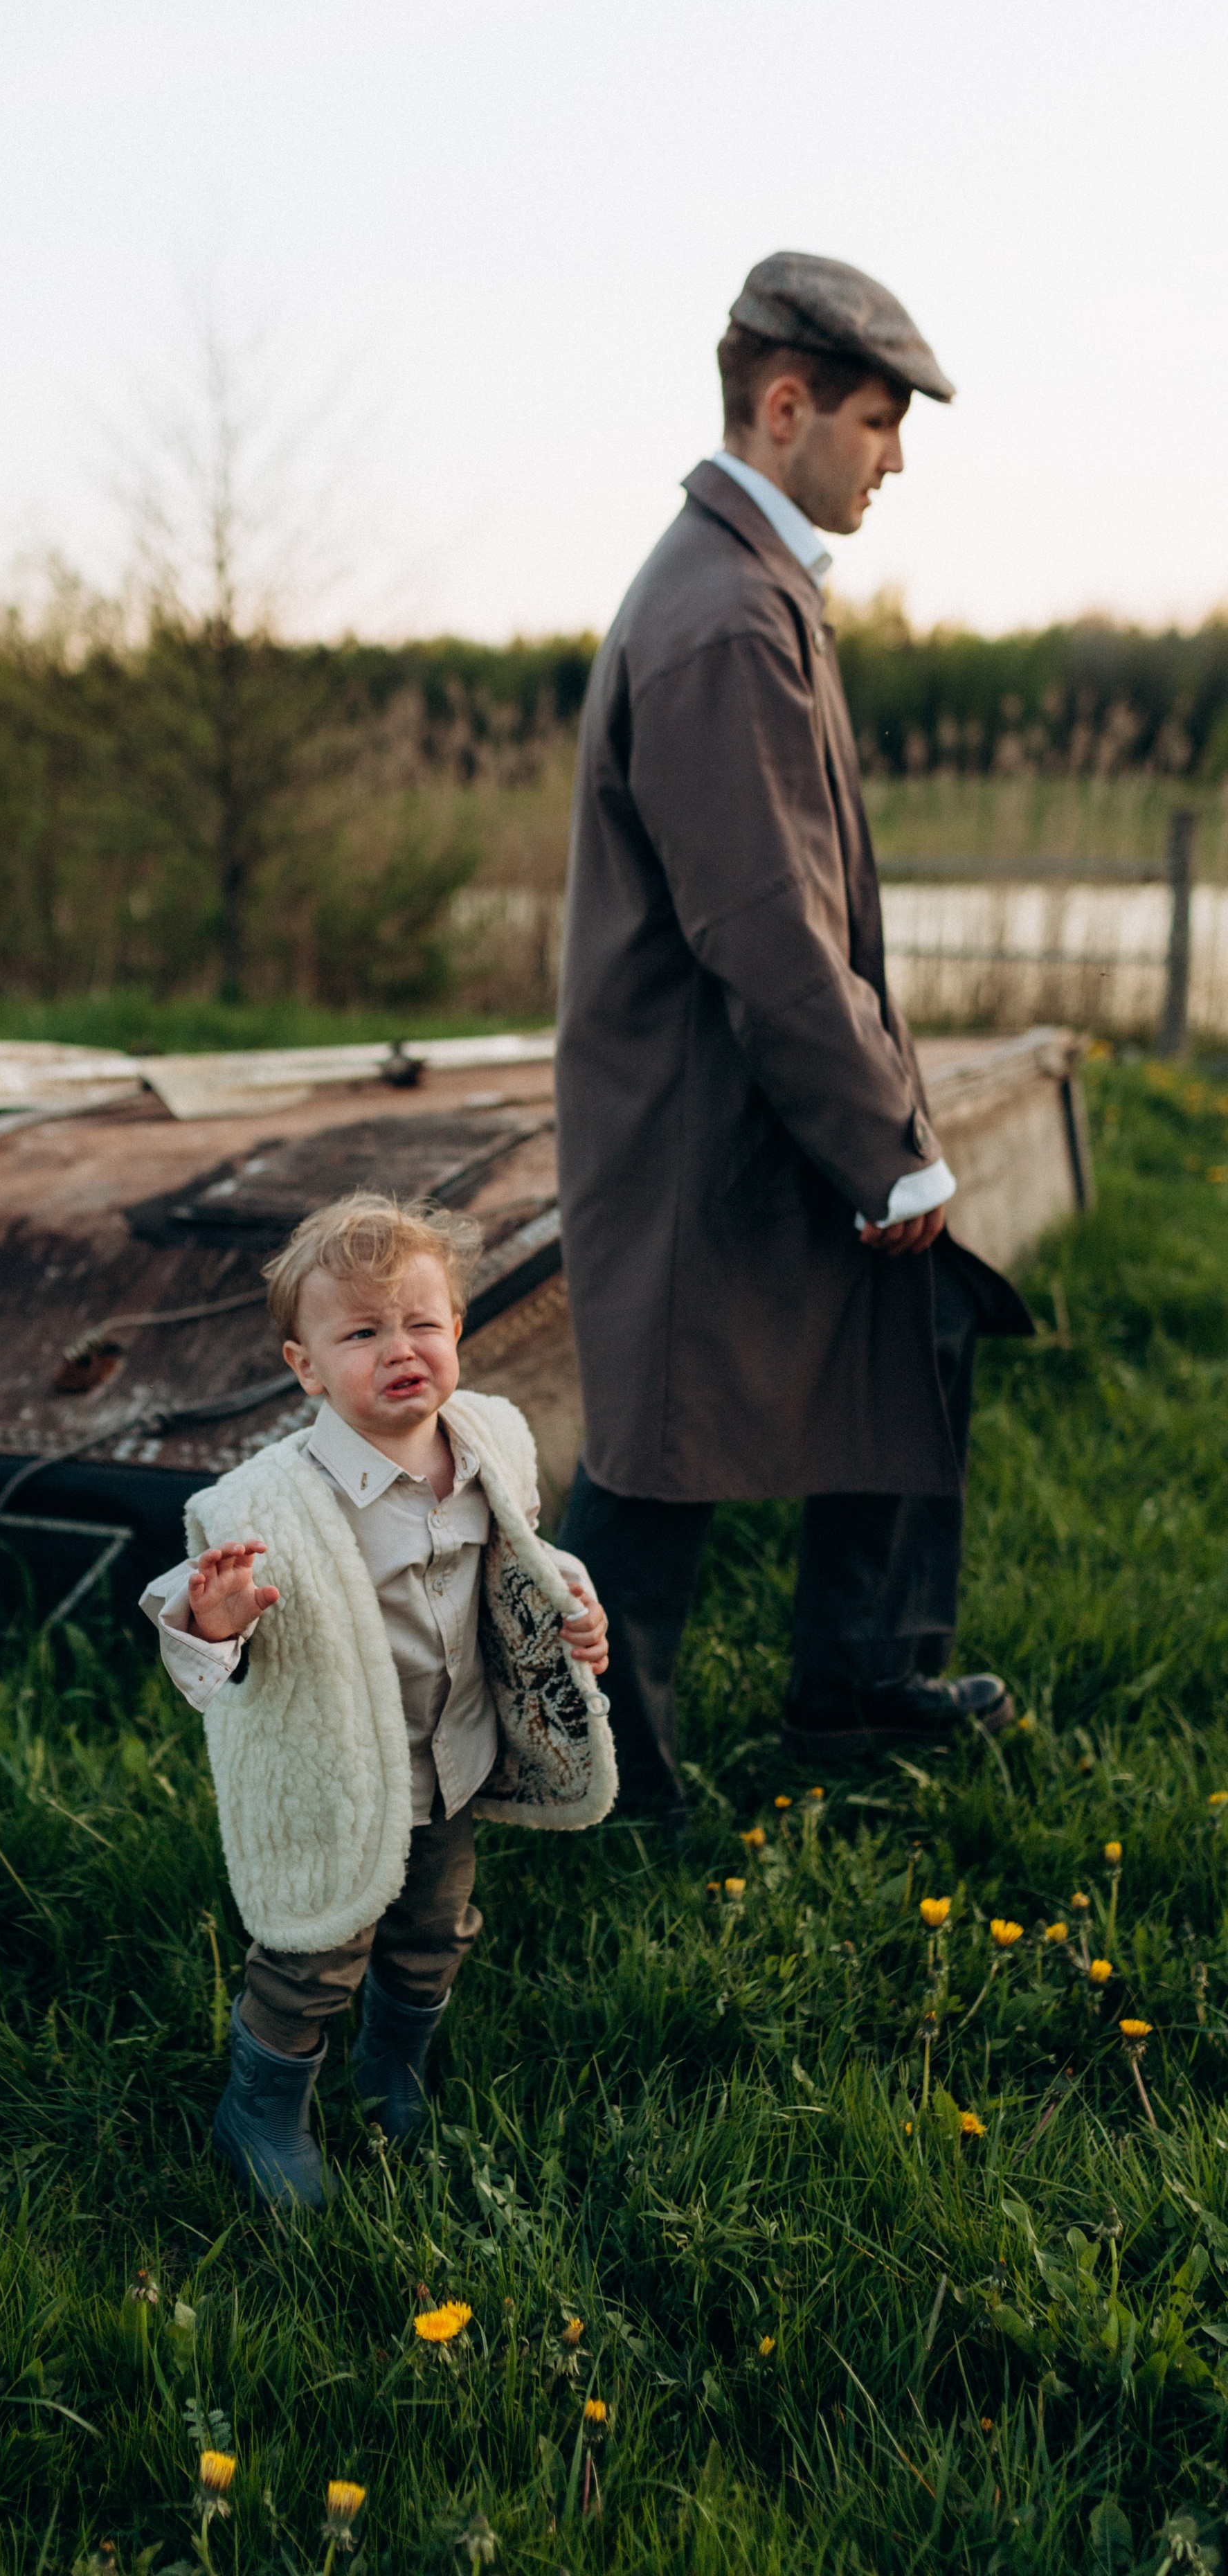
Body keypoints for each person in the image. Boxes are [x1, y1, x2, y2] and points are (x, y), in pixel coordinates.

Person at [554, 253, 1033, 1821]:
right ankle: (602, 1779)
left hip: (749, 1101)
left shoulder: (746, 588)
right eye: (877, 423)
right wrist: (884, 1148)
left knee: (915, 1324)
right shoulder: (720, 618)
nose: (891, 458)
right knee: (656, 1443)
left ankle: (854, 1685)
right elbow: (762, 926)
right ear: (784, 408)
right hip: (704, 1118)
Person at [139, 1192, 615, 2210]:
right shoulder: (269, 1502)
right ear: (305, 1366)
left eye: (422, 1323)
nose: (400, 1348)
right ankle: (262, 2109)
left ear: (457, 1333)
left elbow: (523, 1556)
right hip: (341, 1782)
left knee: (431, 1930)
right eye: (361, 1332)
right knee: (314, 1955)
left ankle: (392, 2068)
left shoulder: (487, 1441)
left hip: (452, 1757)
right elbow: (191, 1634)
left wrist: (572, 1601)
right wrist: (219, 1615)